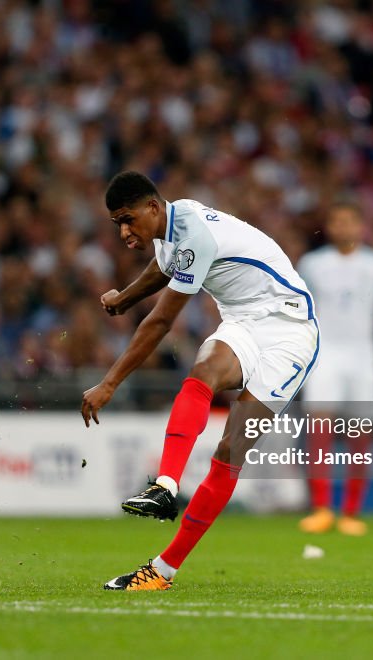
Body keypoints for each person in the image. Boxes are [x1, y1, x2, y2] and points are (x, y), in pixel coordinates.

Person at [81, 172, 320, 590]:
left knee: (231, 448)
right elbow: (163, 266)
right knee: (204, 369)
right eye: (116, 223)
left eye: (127, 219)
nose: (123, 231)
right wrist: (125, 298)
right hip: (244, 321)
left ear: (152, 208)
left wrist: (109, 383)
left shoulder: (194, 236)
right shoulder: (176, 221)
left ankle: (163, 569)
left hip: (290, 329)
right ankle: (166, 485)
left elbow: (159, 323)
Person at [295, 202, 373, 536]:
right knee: (319, 431)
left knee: (361, 434)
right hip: (325, 353)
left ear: (361, 227)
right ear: (329, 227)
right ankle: (321, 509)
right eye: (336, 221)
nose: (343, 227)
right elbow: (300, 308)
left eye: (349, 222)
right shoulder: (312, 264)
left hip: (363, 355)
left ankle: (352, 512)